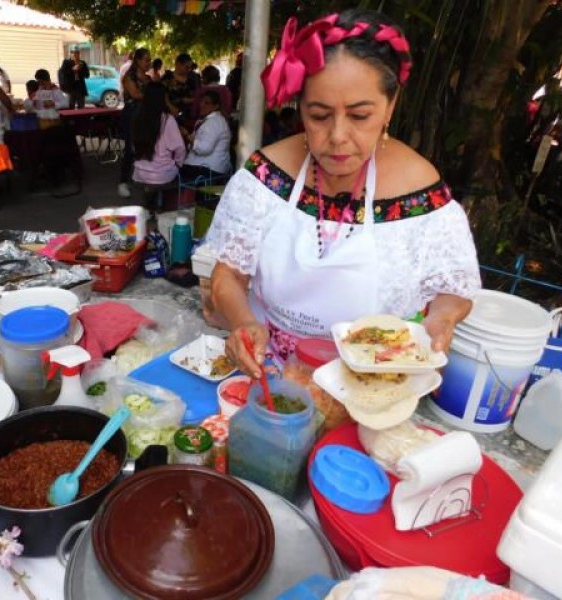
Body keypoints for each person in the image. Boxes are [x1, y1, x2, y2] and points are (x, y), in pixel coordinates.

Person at [206, 10, 481, 376]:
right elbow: (228, 275)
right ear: (300, 108)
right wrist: (242, 321)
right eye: (319, 115)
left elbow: (453, 288)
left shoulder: (420, 190)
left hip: (369, 379)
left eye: (359, 116)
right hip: (269, 373)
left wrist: (442, 319)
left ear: (390, 107)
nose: (337, 136)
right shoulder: (264, 177)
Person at [132, 82, 186, 197]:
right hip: (162, 174)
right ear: (163, 98)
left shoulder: (138, 117)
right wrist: (178, 164)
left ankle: (151, 203)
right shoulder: (167, 119)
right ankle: (160, 206)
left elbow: (133, 146)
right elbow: (180, 148)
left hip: (139, 174)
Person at [118, 47, 151, 198]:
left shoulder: (148, 78)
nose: (149, 63)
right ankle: (123, 182)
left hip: (145, 115)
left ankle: (144, 178)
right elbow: (136, 94)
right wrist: (154, 95)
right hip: (131, 115)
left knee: (145, 146)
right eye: (146, 60)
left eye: (149, 60)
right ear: (137, 60)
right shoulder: (128, 77)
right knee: (131, 148)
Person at [181, 90, 232, 181]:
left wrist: (187, 135)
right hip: (205, 167)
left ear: (216, 106)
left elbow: (204, 149)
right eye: (201, 101)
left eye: (207, 103)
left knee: (171, 173)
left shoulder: (214, 122)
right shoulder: (207, 121)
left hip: (208, 170)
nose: (202, 105)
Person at [163, 53, 198, 121]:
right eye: (186, 67)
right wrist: (170, 106)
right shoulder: (167, 78)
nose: (189, 69)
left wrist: (189, 100)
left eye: (190, 67)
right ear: (178, 64)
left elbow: (198, 95)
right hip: (171, 114)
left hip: (189, 115)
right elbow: (162, 94)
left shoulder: (193, 79)